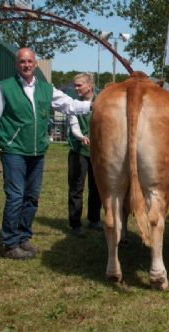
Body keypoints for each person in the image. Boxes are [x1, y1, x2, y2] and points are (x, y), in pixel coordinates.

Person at [0, 47, 92, 260]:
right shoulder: (4, 88)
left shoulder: (46, 89)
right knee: (15, 196)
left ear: (35, 64)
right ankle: (10, 242)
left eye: (30, 61)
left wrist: (94, 105)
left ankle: (23, 236)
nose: (26, 65)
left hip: (37, 152)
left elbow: (69, 105)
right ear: (17, 64)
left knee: (32, 197)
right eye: (22, 61)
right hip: (14, 150)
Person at [67, 73, 103, 237]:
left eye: (79, 85)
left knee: (96, 187)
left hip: (98, 153)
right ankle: (75, 224)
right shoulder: (73, 104)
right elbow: (74, 126)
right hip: (78, 151)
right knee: (76, 188)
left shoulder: (102, 100)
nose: (76, 89)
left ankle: (94, 220)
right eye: (75, 85)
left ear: (90, 85)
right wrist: (81, 137)